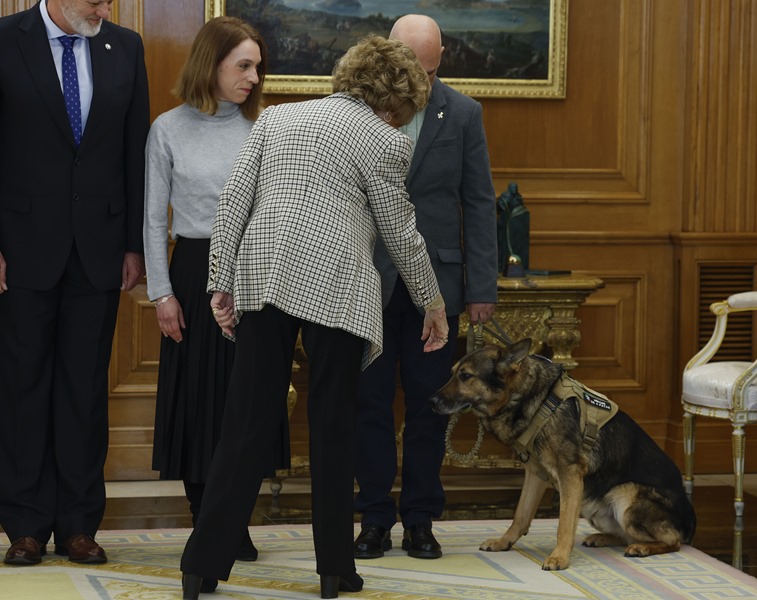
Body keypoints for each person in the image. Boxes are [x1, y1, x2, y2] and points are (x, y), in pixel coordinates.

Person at [178, 35, 449, 600]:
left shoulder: (277, 119)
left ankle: (201, 565)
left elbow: (233, 201)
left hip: (265, 276)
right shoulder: (383, 140)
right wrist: (433, 300)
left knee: (244, 424)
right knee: (334, 427)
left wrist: (219, 282)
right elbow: (401, 231)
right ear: (395, 99)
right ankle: (334, 571)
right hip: (338, 287)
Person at [0, 0, 150, 565]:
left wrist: (134, 242)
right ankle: (25, 524)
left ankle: (79, 524)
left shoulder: (125, 47)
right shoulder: (4, 39)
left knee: (84, 390)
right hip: (22, 249)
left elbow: (136, 151)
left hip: (100, 250)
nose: (104, 6)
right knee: (22, 387)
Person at [142, 17, 284, 593]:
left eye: (257, 67)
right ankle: (209, 524)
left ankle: (234, 522)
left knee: (246, 405)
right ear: (212, 64)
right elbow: (154, 219)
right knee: (198, 403)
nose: (253, 77)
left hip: (255, 277)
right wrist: (161, 293)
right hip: (193, 273)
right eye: (242, 65)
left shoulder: (267, 129)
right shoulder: (166, 129)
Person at [353, 14, 498, 561]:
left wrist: (482, 285)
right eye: (414, 69)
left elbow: (479, 202)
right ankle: (373, 518)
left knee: (429, 405)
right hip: (366, 279)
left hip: (436, 287)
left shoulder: (462, 113)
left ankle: (419, 519)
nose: (423, 82)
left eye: (432, 71)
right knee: (367, 403)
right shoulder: (355, 107)